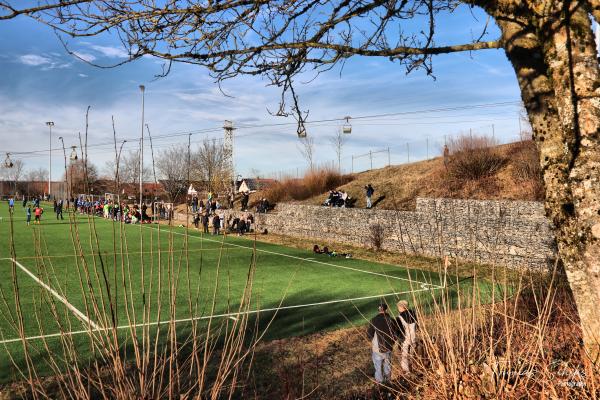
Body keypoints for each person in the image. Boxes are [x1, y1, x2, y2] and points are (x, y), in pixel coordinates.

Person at [367, 302, 397, 384]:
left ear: (378, 310)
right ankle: (388, 381)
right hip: (389, 347)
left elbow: (369, 335)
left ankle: (380, 383)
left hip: (377, 349)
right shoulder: (391, 320)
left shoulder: (374, 320)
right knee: (387, 365)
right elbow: (395, 334)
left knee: (378, 366)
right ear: (386, 310)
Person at [395, 300, 417, 373]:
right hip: (414, 337)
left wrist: (400, 339)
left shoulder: (399, 317)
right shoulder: (413, 314)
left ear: (401, 307)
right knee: (412, 355)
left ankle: (406, 372)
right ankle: (414, 368)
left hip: (405, 339)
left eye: (398, 307)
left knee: (404, 357)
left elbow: (398, 330)